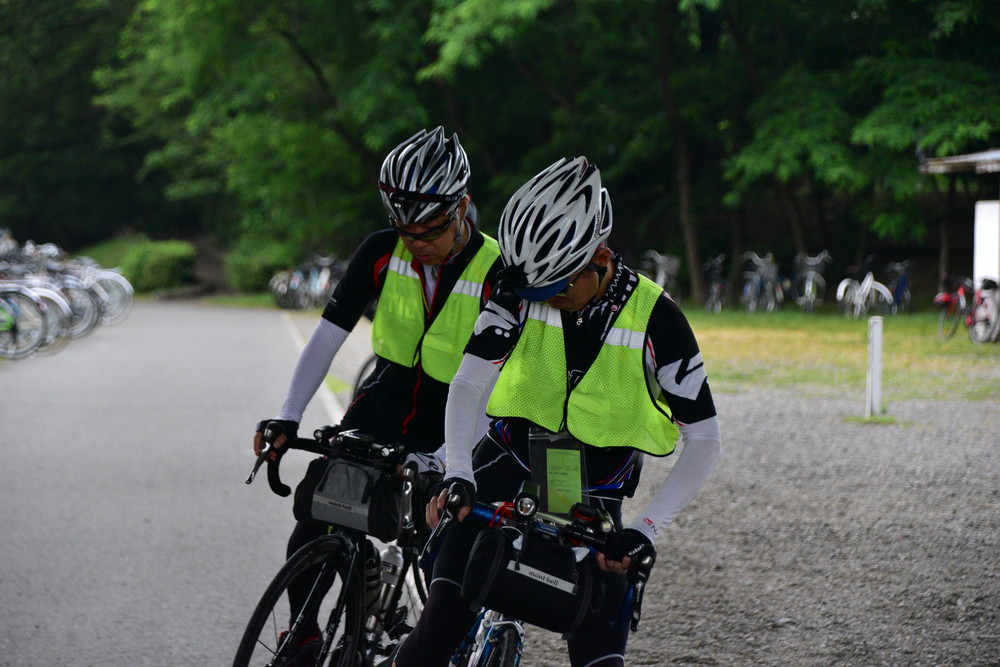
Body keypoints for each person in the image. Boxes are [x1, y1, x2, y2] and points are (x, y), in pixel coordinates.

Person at [394, 156, 722, 667]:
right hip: (505, 464)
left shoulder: (658, 317)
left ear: (598, 255)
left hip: (592, 494)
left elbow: (704, 440)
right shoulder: (520, 285)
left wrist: (647, 530)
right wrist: (456, 470)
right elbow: (470, 380)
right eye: (534, 291)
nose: (544, 300)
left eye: (559, 288)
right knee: (435, 634)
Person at [253, 127, 501, 647]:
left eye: (430, 230)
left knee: (441, 542)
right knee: (321, 509)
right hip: (385, 397)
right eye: (405, 230)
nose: (418, 244)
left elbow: (497, 379)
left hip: (460, 413)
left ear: (463, 207)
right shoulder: (382, 251)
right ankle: (304, 637)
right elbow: (327, 335)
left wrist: (447, 461)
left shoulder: (498, 270)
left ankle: (423, 637)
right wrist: (288, 415)